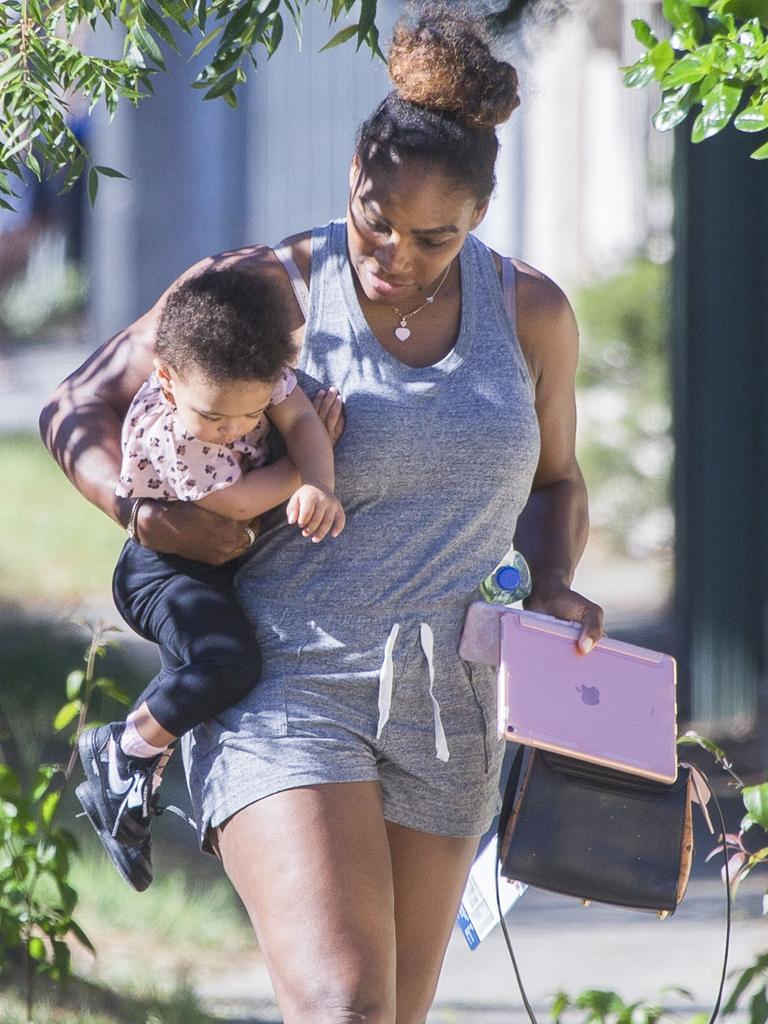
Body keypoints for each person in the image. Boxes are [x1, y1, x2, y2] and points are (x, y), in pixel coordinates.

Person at [40, 3, 604, 1019]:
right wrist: (140, 509)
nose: (391, 254)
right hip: (286, 686)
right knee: (343, 1002)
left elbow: (557, 482)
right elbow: (76, 402)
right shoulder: (268, 289)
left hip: (453, 709)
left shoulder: (532, 312)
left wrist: (556, 582)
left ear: (478, 213)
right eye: (372, 218)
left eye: (432, 237)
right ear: (352, 176)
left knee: (388, 1011)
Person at [76, 267, 345, 892]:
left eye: (252, 413)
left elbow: (300, 419)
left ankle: (128, 779)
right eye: (217, 417)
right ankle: (122, 750)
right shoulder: (169, 433)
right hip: (161, 571)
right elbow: (240, 502)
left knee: (199, 675)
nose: (235, 428)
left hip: (212, 566)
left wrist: (321, 479)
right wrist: (303, 470)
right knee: (226, 662)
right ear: (166, 380)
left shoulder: (248, 376)